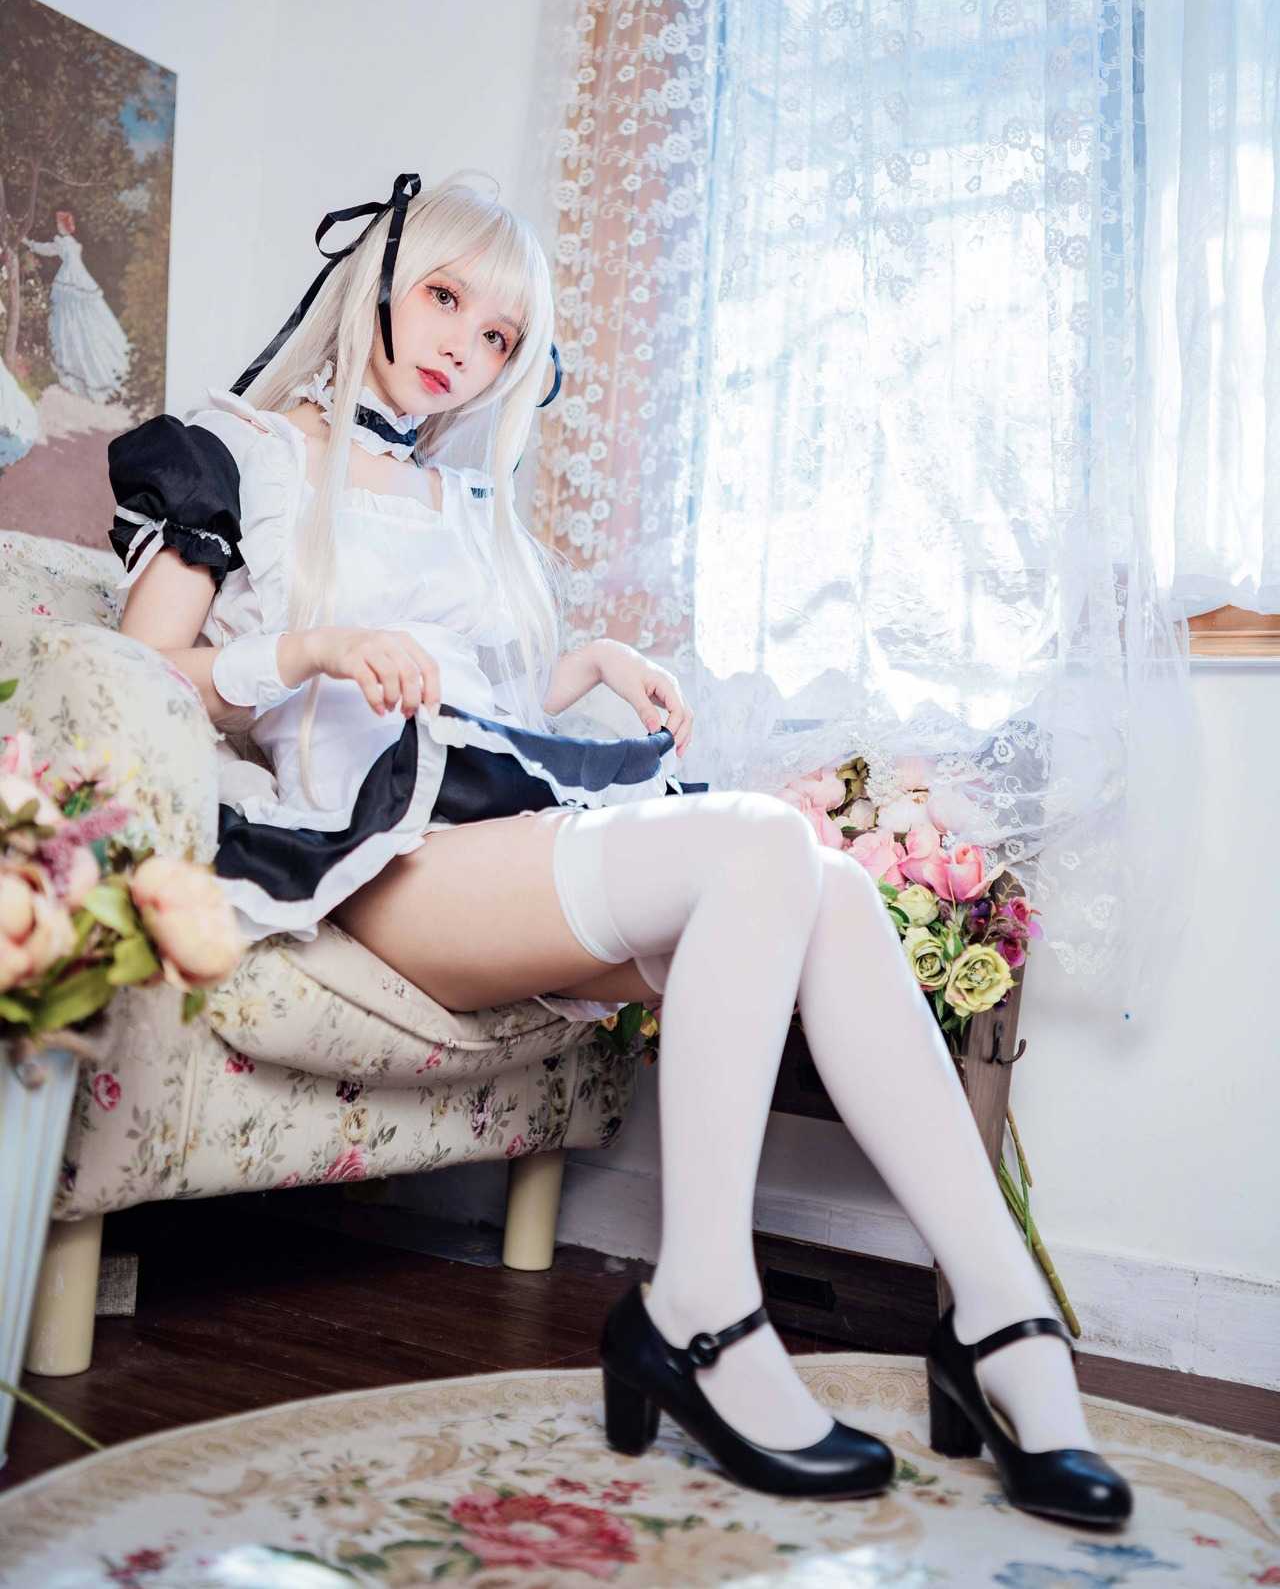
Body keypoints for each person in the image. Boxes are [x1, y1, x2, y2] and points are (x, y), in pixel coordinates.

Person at [105, 169, 1132, 1522]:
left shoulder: (461, 502)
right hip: (376, 863)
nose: (464, 349)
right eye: (445, 300)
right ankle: (709, 1303)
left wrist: (584, 662)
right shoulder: (236, 452)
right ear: (381, 276)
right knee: (760, 843)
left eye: (498, 337)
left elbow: (469, 718)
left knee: (822, 879)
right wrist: (306, 648)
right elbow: (135, 673)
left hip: (485, 835)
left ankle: (994, 1311)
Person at [22, 209, 131, 402]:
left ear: (64, 226)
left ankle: (80, 369)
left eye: (59, 224)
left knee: (71, 319)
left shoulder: (63, 242)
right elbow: (48, 249)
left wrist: (28, 243)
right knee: (74, 319)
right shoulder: (73, 243)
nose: (57, 227)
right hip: (78, 279)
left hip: (70, 280)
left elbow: (45, 249)